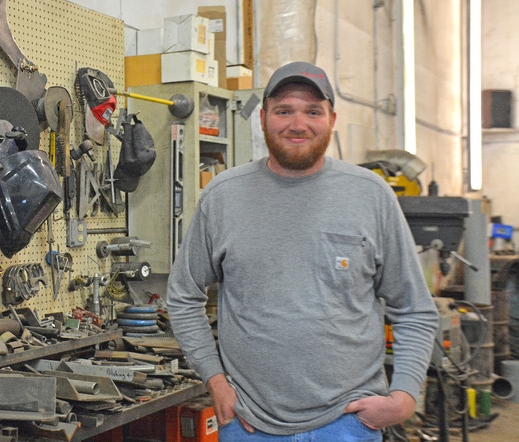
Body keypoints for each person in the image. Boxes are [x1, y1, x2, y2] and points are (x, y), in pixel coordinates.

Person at [166, 61, 438, 441]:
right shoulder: (223, 196)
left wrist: (405, 396)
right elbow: (183, 297)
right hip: (249, 423)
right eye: (284, 111)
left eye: (313, 111)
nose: (298, 124)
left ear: (332, 119)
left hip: (349, 422)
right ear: (263, 119)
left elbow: (414, 309)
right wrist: (214, 378)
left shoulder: (371, 196)